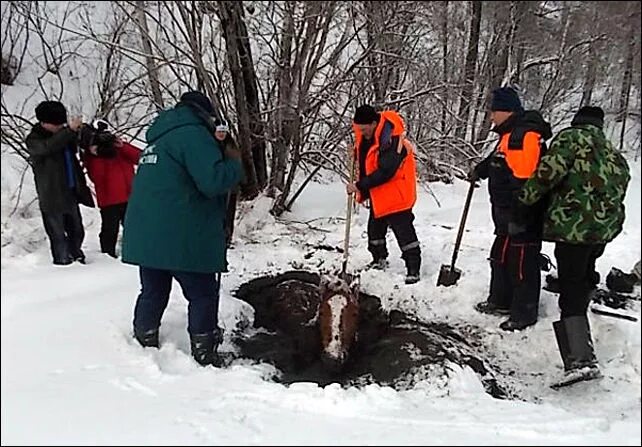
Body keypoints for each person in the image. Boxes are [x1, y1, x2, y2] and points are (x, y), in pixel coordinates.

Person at [121, 91, 243, 367]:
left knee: (153, 290)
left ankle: (144, 339)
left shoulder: (158, 139)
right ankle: (205, 351)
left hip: (147, 236)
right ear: (204, 114)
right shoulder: (194, 136)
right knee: (202, 293)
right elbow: (212, 181)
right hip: (182, 235)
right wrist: (233, 163)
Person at [517, 106, 631, 387]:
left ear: (577, 122)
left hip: (574, 228)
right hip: (603, 229)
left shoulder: (571, 139)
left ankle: (580, 360)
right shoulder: (612, 151)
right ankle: (584, 314)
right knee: (583, 275)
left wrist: (524, 200)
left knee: (571, 285)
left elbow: (548, 173)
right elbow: (622, 183)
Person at [470, 87, 552, 331]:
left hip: (522, 217)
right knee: (500, 255)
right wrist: (479, 170)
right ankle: (500, 300)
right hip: (508, 216)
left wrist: (521, 215)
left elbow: (526, 182)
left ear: (507, 111)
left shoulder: (523, 137)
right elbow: (498, 160)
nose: (491, 116)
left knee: (522, 262)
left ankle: (524, 312)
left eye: (494, 111)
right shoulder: (508, 136)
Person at [346, 104, 421, 285]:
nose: (362, 133)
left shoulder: (392, 139)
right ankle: (378, 259)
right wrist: (355, 153)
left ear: (373, 123)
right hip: (379, 193)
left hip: (397, 193)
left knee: (404, 232)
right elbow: (368, 158)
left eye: (364, 129)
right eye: (359, 130)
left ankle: (413, 268)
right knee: (375, 231)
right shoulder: (369, 135)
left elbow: (386, 171)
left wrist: (359, 185)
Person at [25, 100, 95, 265]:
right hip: (51, 195)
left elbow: (81, 140)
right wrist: (68, 131)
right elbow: (48, 147)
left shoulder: (64, 135)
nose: (59, 127)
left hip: (70, 191)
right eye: (55, 124)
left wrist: (83, 131)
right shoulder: (34, 139)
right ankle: (63, 263)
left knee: (77, 231)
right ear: (43, 122)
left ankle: (77, 256)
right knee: (57, 235)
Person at [80, 120, 141, 258]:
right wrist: (96, 154)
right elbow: (97, 177)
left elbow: (140, 157)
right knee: (110, 229)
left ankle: (138, 252)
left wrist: (122, 146)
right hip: (109, 199)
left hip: (129, 196)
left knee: (134, 228)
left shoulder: (120, 150)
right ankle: (107, 256)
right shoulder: (93, 158)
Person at [212, 118, 241, 248]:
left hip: (230, 186)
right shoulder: (210, 145)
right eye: (219, 131)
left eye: (223, 131)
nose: (221, 134)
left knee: (229, 212)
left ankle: (227, 238)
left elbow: (236, 164)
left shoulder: (230, 146)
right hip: (217, 187)